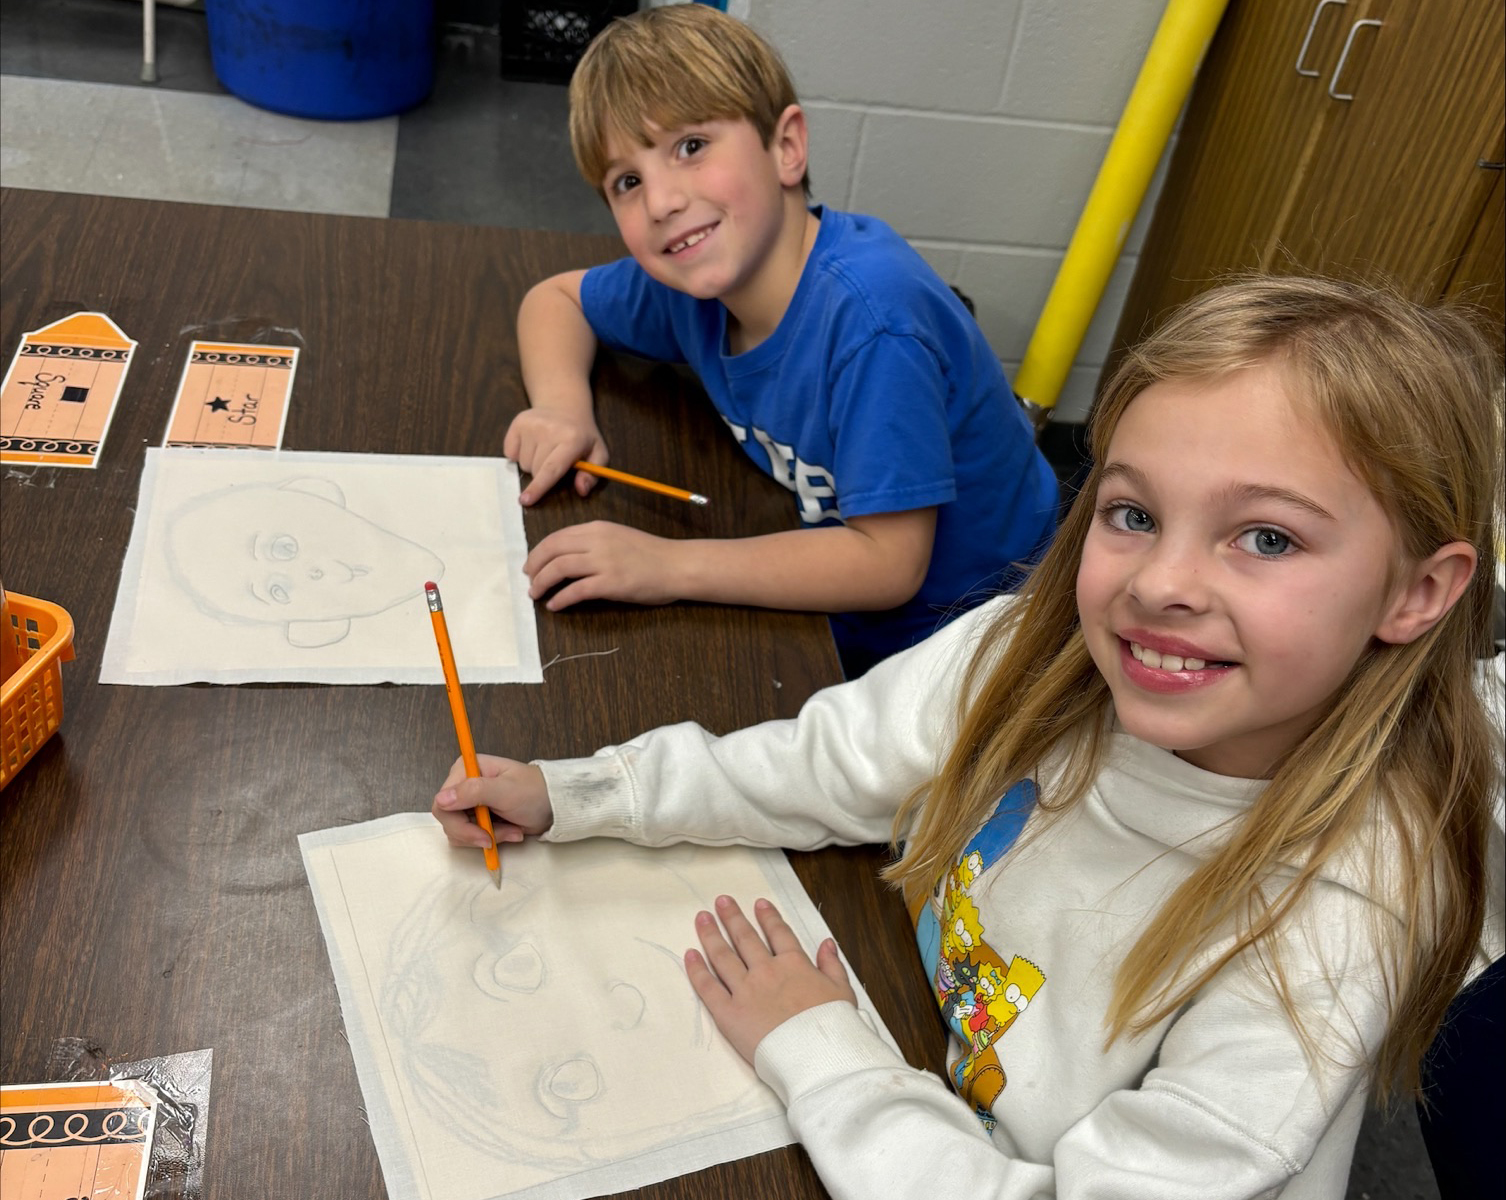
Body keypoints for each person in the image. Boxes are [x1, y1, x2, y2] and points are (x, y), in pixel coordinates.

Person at [434, 276, 1505, 1197]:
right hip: (933, 1074)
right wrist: (588, 794)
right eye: (1133, 514)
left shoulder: (1334, 924)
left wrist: (822, 1050)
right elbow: (828, 763)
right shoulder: (1036, 654)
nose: (1160, 584)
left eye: (1266, 537)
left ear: (1416, 592)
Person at [506, 4, 1058, 677]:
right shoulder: (695, 279)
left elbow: (889, 564)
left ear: (786, 148)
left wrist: (667, 564)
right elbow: (555, 300)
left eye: (691, 147)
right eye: (628, 181)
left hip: (976, 634)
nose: (661, 202)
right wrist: (561, 408)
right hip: (851, 587)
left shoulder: (874, 326)